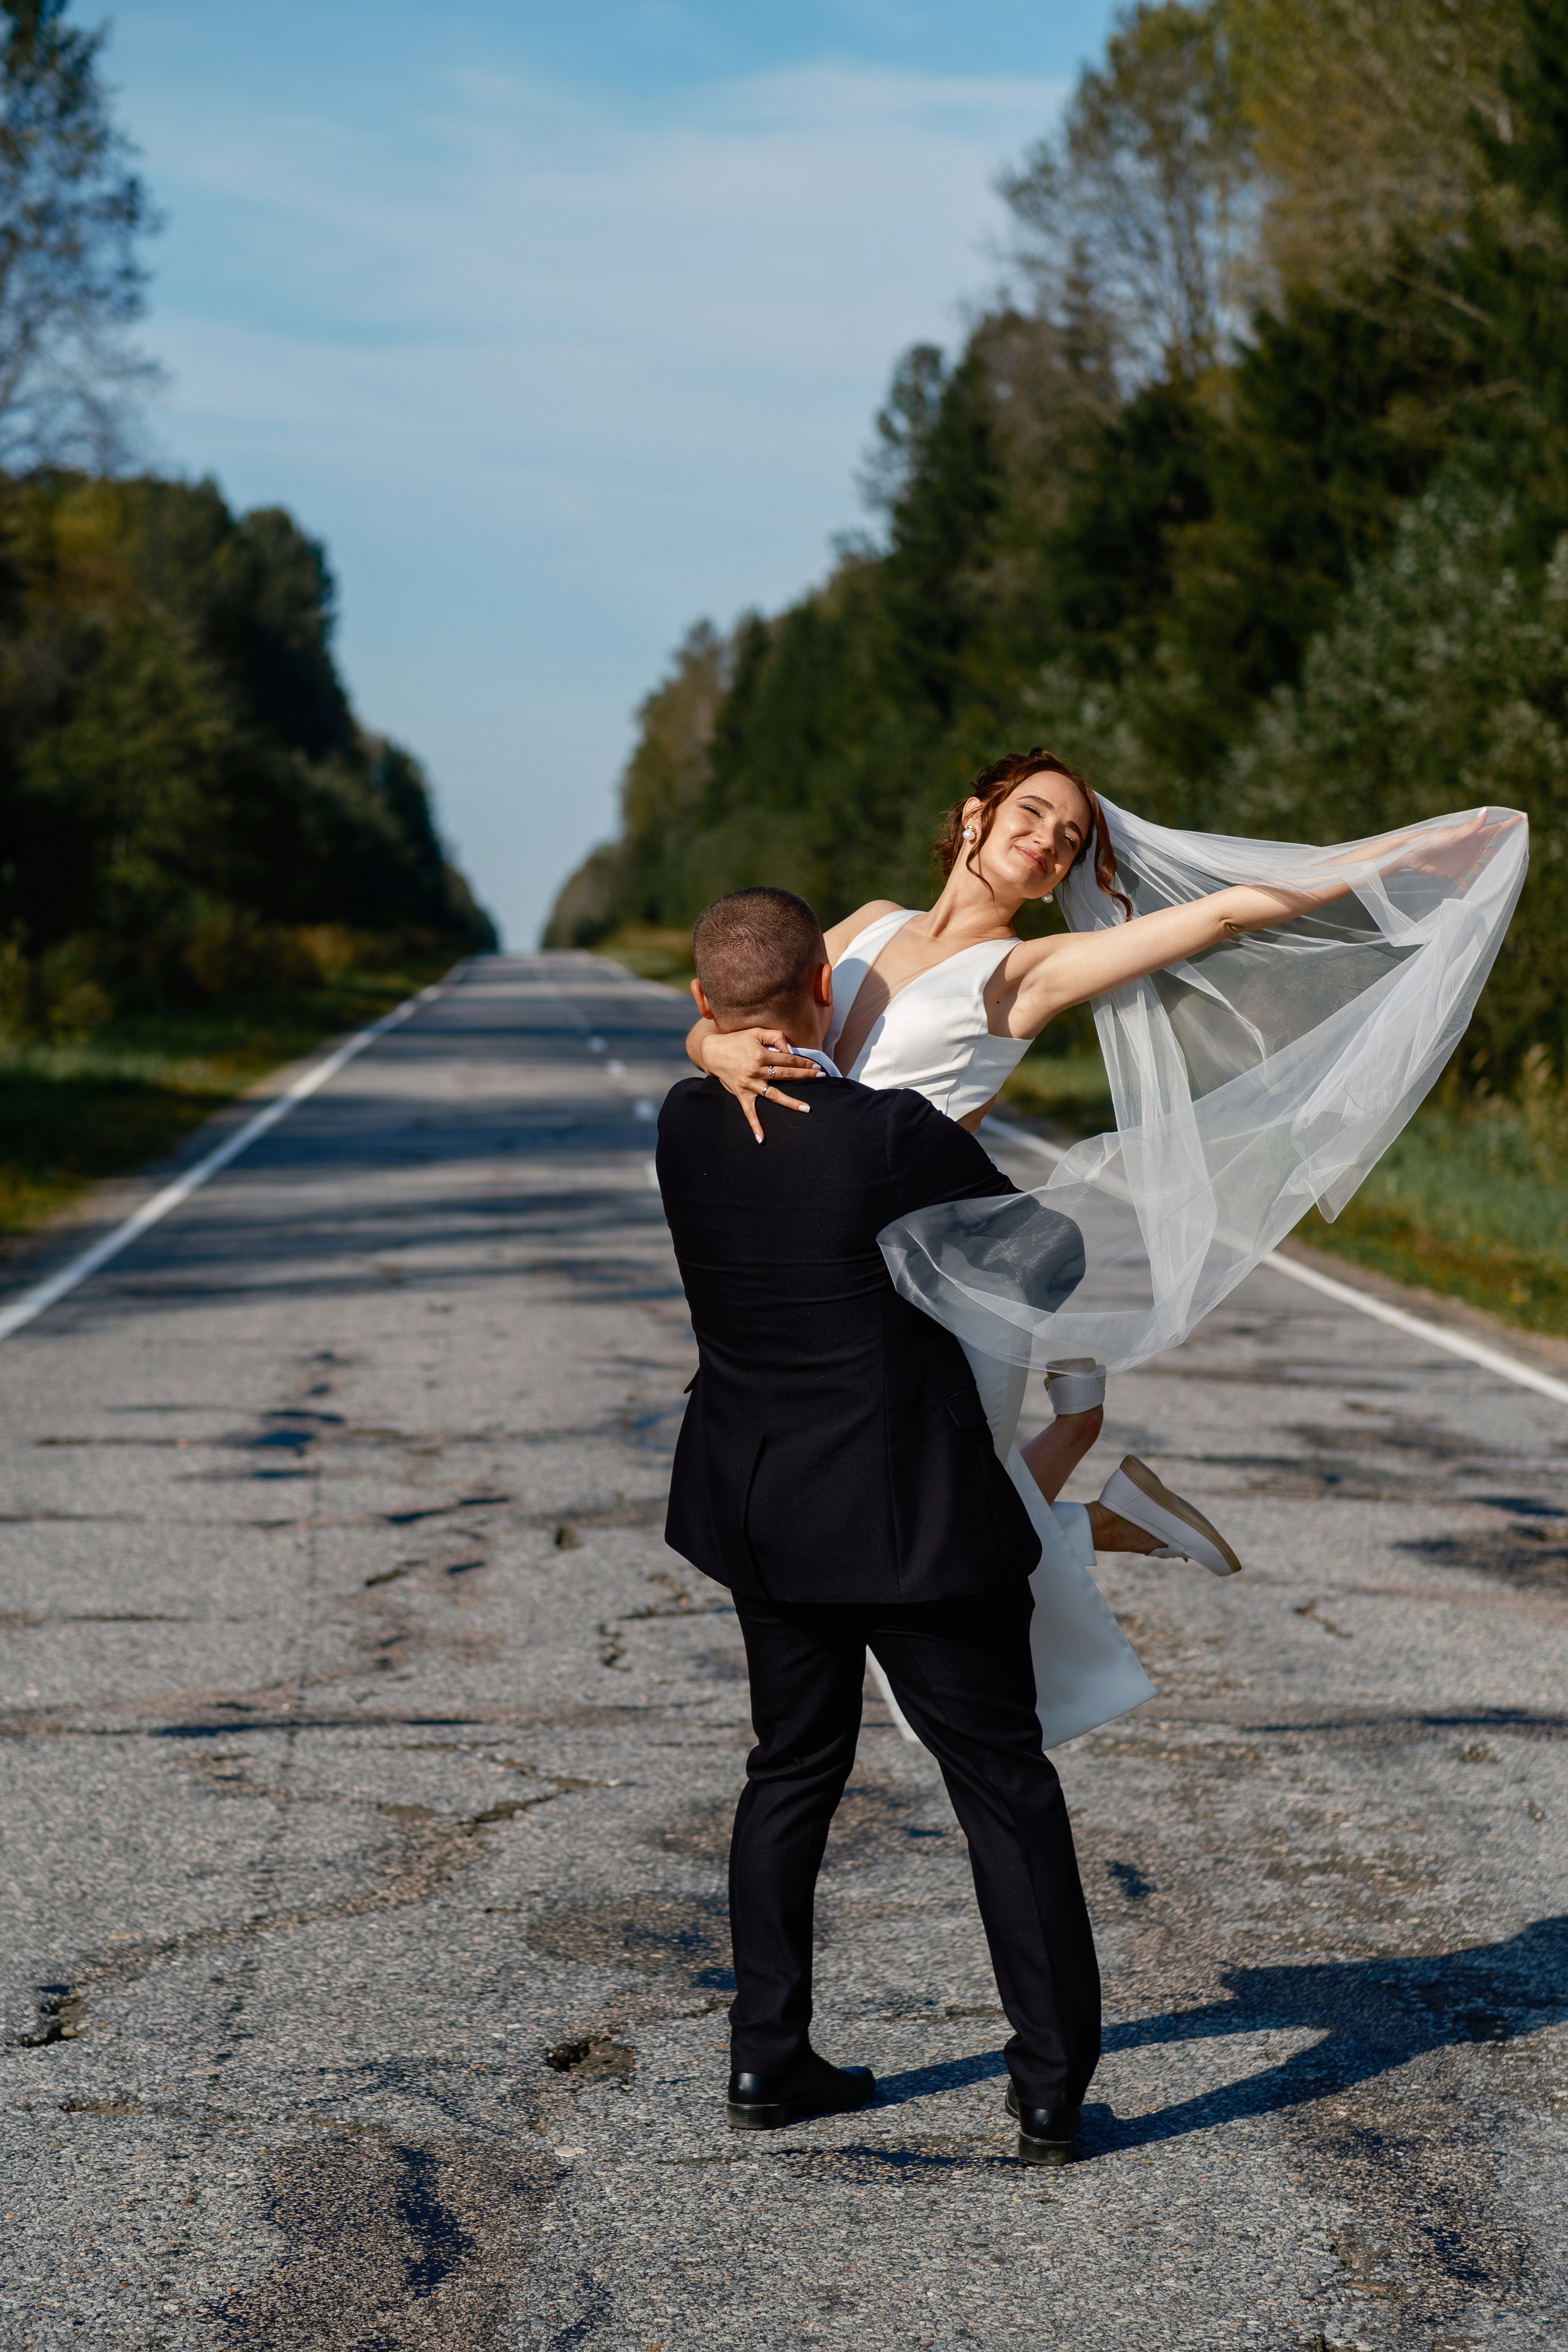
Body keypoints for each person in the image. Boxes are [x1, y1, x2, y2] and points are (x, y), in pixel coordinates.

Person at [683, 753, 1526, 1741]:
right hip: (835, 1274)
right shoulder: (865, 924)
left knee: (927, 1542)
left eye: (1070, 842)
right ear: (973, 817)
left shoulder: (1025, 972)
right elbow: (743, 1002)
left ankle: (1087, 1480)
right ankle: (1105, 1508)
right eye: (1032, 815)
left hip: (948, 1287)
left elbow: (1222, 917)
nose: (1047, 841)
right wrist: (710, 1048)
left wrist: (1406, 854)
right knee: (908, 1535)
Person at [657, 884, 1128, 2162]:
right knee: (1000, 1787)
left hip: (762, 1511)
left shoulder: (682, 1121)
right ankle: (1045, 2090)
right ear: (826, 990)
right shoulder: (889, 1131)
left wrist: (704, 1046)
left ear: (707, 1009)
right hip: (910, 1516)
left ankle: (766, 2060)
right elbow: (1045, 1263)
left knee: (789, 1772)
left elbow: (712, 1055)